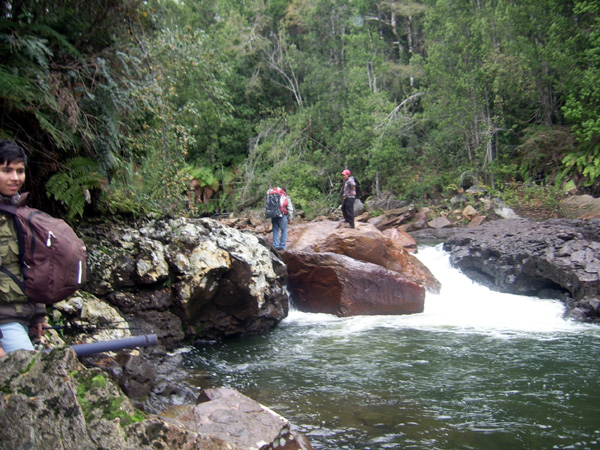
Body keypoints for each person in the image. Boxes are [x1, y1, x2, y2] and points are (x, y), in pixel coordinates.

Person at [0, 139, 47, 358]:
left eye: (20, 171)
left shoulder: (21, 214)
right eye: (6, 170)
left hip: (22, 316)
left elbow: (30, 268)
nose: (15, 178)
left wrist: (38, 316)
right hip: (4, 321)